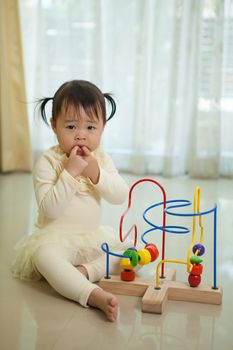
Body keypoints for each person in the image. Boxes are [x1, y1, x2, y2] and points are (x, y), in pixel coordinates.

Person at [11, 80, 130, 322]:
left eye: (90, 127)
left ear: (103, 128)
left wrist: (96, 174)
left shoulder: (101, 159)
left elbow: (119, 196)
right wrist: (71, 173)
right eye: (71, 126)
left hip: (92, 239)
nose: (81, 136)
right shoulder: (48, 162)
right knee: (44, 258)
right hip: (56, 241)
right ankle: (92, 293)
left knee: (131, 249)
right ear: (54, 126)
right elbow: (50, 209)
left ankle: (85, 272)